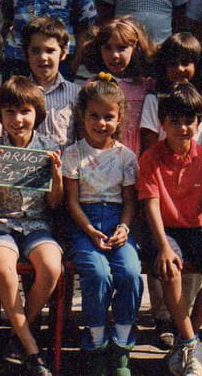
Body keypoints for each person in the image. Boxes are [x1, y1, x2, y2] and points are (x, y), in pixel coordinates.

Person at [137, 84, 202, 376]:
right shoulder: (150, 158)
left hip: (195, 228)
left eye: (189, 121)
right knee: (171, 268)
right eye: (175, 121)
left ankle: (184, 340)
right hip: (163, 230)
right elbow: (151, 206)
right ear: (162, 124)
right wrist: (164, 247)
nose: (182, 128)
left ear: (199, 123)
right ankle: (192, 343)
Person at [0, 76, 63, 376]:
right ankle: (31, 349)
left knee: (51, 267)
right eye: (10, 112)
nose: (17, 119)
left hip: (37, 224)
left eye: (25, 112)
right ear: (0, 115)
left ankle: (18, 335)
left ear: (37, 114)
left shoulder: (49, 148)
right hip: (0, 224)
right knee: (5, 271)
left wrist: (57, 177)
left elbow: (54, 204)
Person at [62, 76, 142, 376]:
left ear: (119, 118)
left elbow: (130, 202)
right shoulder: (73, 154)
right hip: (84, 224)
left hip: (117, 222)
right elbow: (71, 202)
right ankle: (95, 343)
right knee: (97, 273)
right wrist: (89, 230)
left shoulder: (125, 156)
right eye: (94, 116)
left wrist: (124, 228)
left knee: (130, 272)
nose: (101, 123)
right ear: (82, 116)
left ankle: (121, 347)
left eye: (108, 116)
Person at [82, 16, 156, 156]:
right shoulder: (93, 85)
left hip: (137, 154)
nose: (114, 55)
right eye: (107, 48)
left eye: (122, 48)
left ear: (135, 49)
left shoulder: (146, 85)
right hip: (101, 155)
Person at [140, 32, 202, 151]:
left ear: (197, 65)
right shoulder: (154, 100)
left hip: (196, 160)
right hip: (161, 160)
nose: (179, 69)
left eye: (185, 63)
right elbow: (150, 143)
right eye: (173, 64)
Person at [24, 17, 80, 150]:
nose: (43, 57)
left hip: (65, 161)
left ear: (63, 53)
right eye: (35, 51)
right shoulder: (18, 92)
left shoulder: (76, 93)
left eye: (50, 50)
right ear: (26, 53)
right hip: (28, 161)